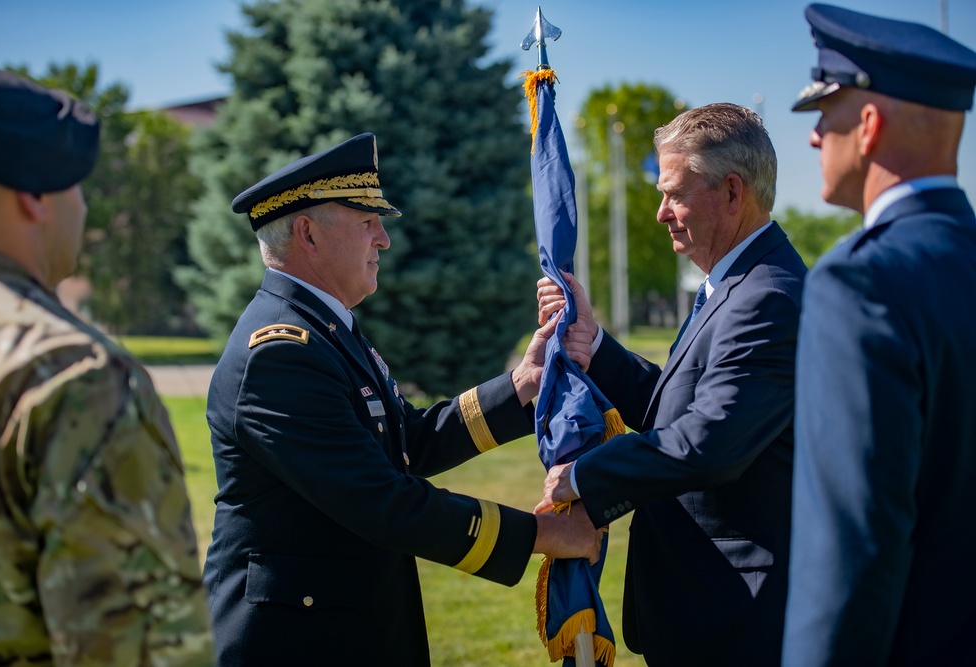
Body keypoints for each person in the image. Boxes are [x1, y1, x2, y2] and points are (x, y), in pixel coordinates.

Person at [202, 132, 601, 665]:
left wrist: (523, 383)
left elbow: (406, 442)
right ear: (308, 234)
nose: (384, 239)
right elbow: (382, 501)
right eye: (367, 222)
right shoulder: (281, 352)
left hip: (342, 625)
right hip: (298, 641)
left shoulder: (324, 328)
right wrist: (547, 533)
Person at [536, 103, 807, 666]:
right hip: (705, 611)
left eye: (675, 193)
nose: (661, 213)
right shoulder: (736, 282)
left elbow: (710, 444)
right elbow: (681, 408)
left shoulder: (767, 297)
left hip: (736, 623)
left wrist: (584, 478)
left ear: (733, 193)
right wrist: (597, 346)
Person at [0, 70, 213, 665]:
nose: (82, 208)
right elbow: (145, 647)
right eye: (79, 189)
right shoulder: (68, 373)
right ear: (33, 195)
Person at [782, 5, 976, 665]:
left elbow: (849, 553)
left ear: (866, 126)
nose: (813, 136)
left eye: (823, 111)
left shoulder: (860, 283)